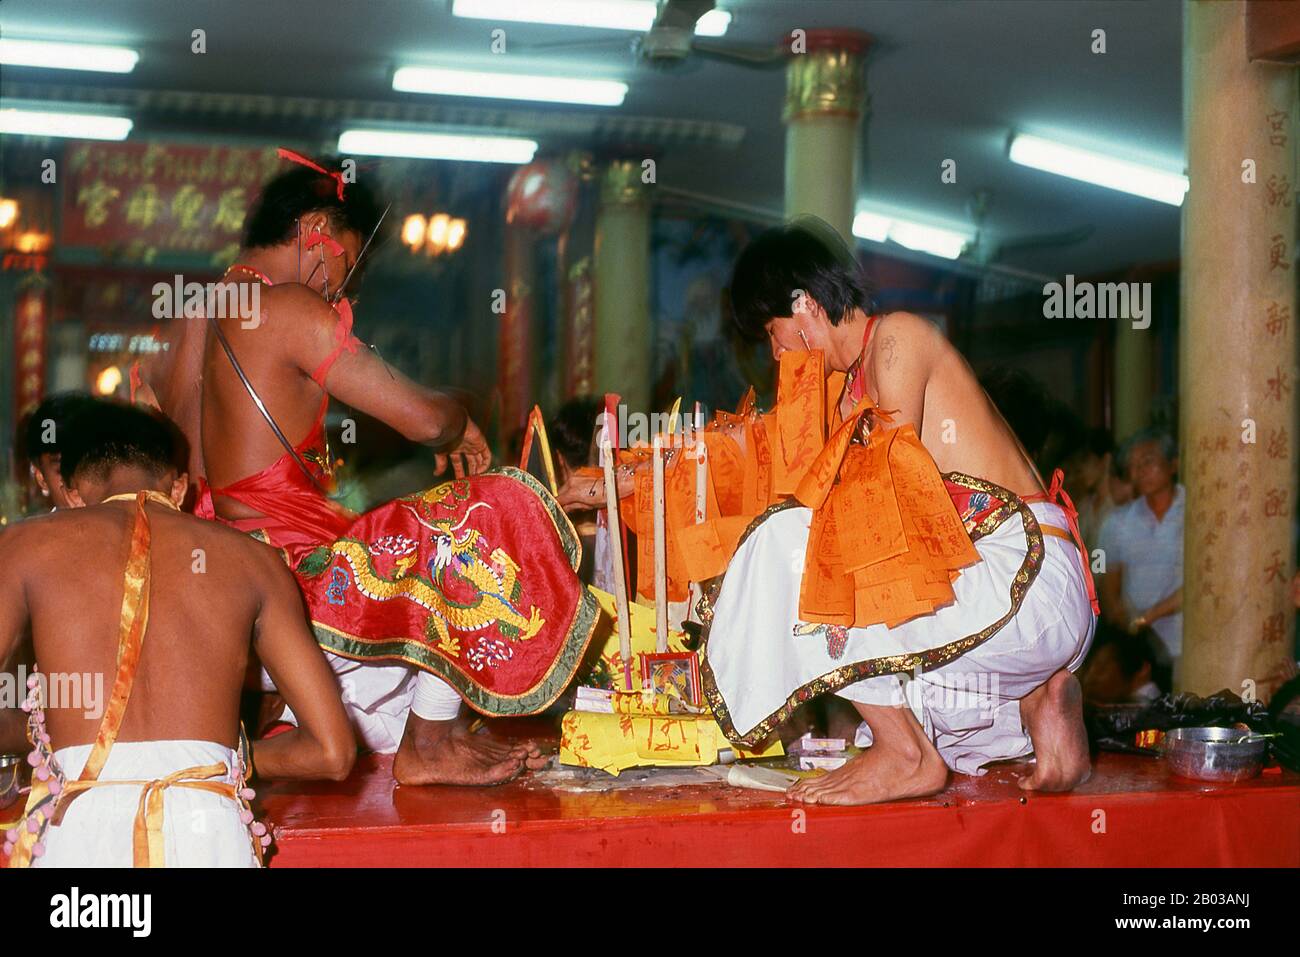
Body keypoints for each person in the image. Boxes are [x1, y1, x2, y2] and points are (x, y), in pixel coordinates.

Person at [141, 153, 595, 785]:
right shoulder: (285, 307)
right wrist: (460, 415)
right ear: (313, 233)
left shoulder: (198, 312)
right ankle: (430, 745)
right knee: (494, 505)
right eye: (346, 263)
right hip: (291, 580)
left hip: (215, 576)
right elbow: (426, 422)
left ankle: (245, 749)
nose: (343, 290)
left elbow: (187, 472)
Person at [704, 217, 1097, 804]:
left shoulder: (896, 339)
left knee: (803, 549)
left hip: (1026, 578)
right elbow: (762, 455)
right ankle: (1036, 710)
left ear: (804, 305)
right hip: (1003, 620)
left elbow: (877, 499)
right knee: (911, 697)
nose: (775, 349)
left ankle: (906, 756)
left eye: (772, 329)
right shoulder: (846, 387)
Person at [0, 401, 354, 867]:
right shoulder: (252, 561)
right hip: (210, 829)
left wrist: (43, 734)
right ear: (180, 486)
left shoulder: (24, 546)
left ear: (70, 491)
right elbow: (333, 752)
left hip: (81, 830)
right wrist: (223, 755)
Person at [1096, 428, 1184, 670]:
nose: (1140, 471)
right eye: (1133, 466)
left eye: (1148, 461)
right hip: (1139, 652)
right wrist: (1124, 622)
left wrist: (1146, 618)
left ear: (1173, 464)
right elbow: (1106, 579)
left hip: (1188, 644)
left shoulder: (1196, 512)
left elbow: (1202, 583)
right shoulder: (1116, 522)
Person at [19, 392, 99, 511]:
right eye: (65, 467)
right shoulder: (32, 529)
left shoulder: (130, 522)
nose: (78, 479)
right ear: (42, 478)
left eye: (89, 461)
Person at [1080, 621, 1170, 706]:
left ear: (1142, 671)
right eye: (1088, 669)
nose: (1089, 678)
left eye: (1102, 668)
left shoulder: (1142, 710)